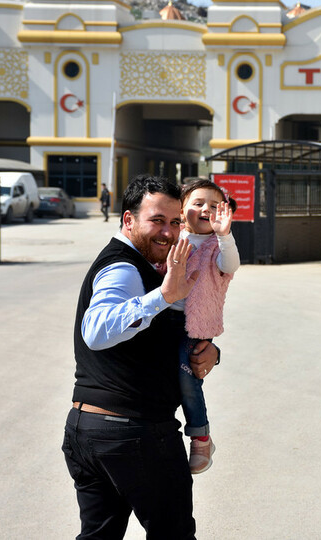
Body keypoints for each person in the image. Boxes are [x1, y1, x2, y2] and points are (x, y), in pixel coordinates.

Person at [63, 174, 220, 539]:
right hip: (134, 433)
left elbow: (163, 335)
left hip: (90, 431)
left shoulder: (147, 266)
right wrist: (162, 297)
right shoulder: (124, 268)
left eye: (175, 222)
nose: (168, 233)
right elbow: (96, 331)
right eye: (157, 221)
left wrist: (212, 351)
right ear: (128, 220)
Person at [171, 178, 240, 474]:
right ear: (181, 208)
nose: (205, 210)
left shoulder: (217, 244)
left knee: (187, 378)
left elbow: (230, 265)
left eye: (214, 206)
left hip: (196, 326)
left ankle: (201, 437)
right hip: (163, 319)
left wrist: (225, 235)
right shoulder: (172, 237)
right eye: (197, 203)